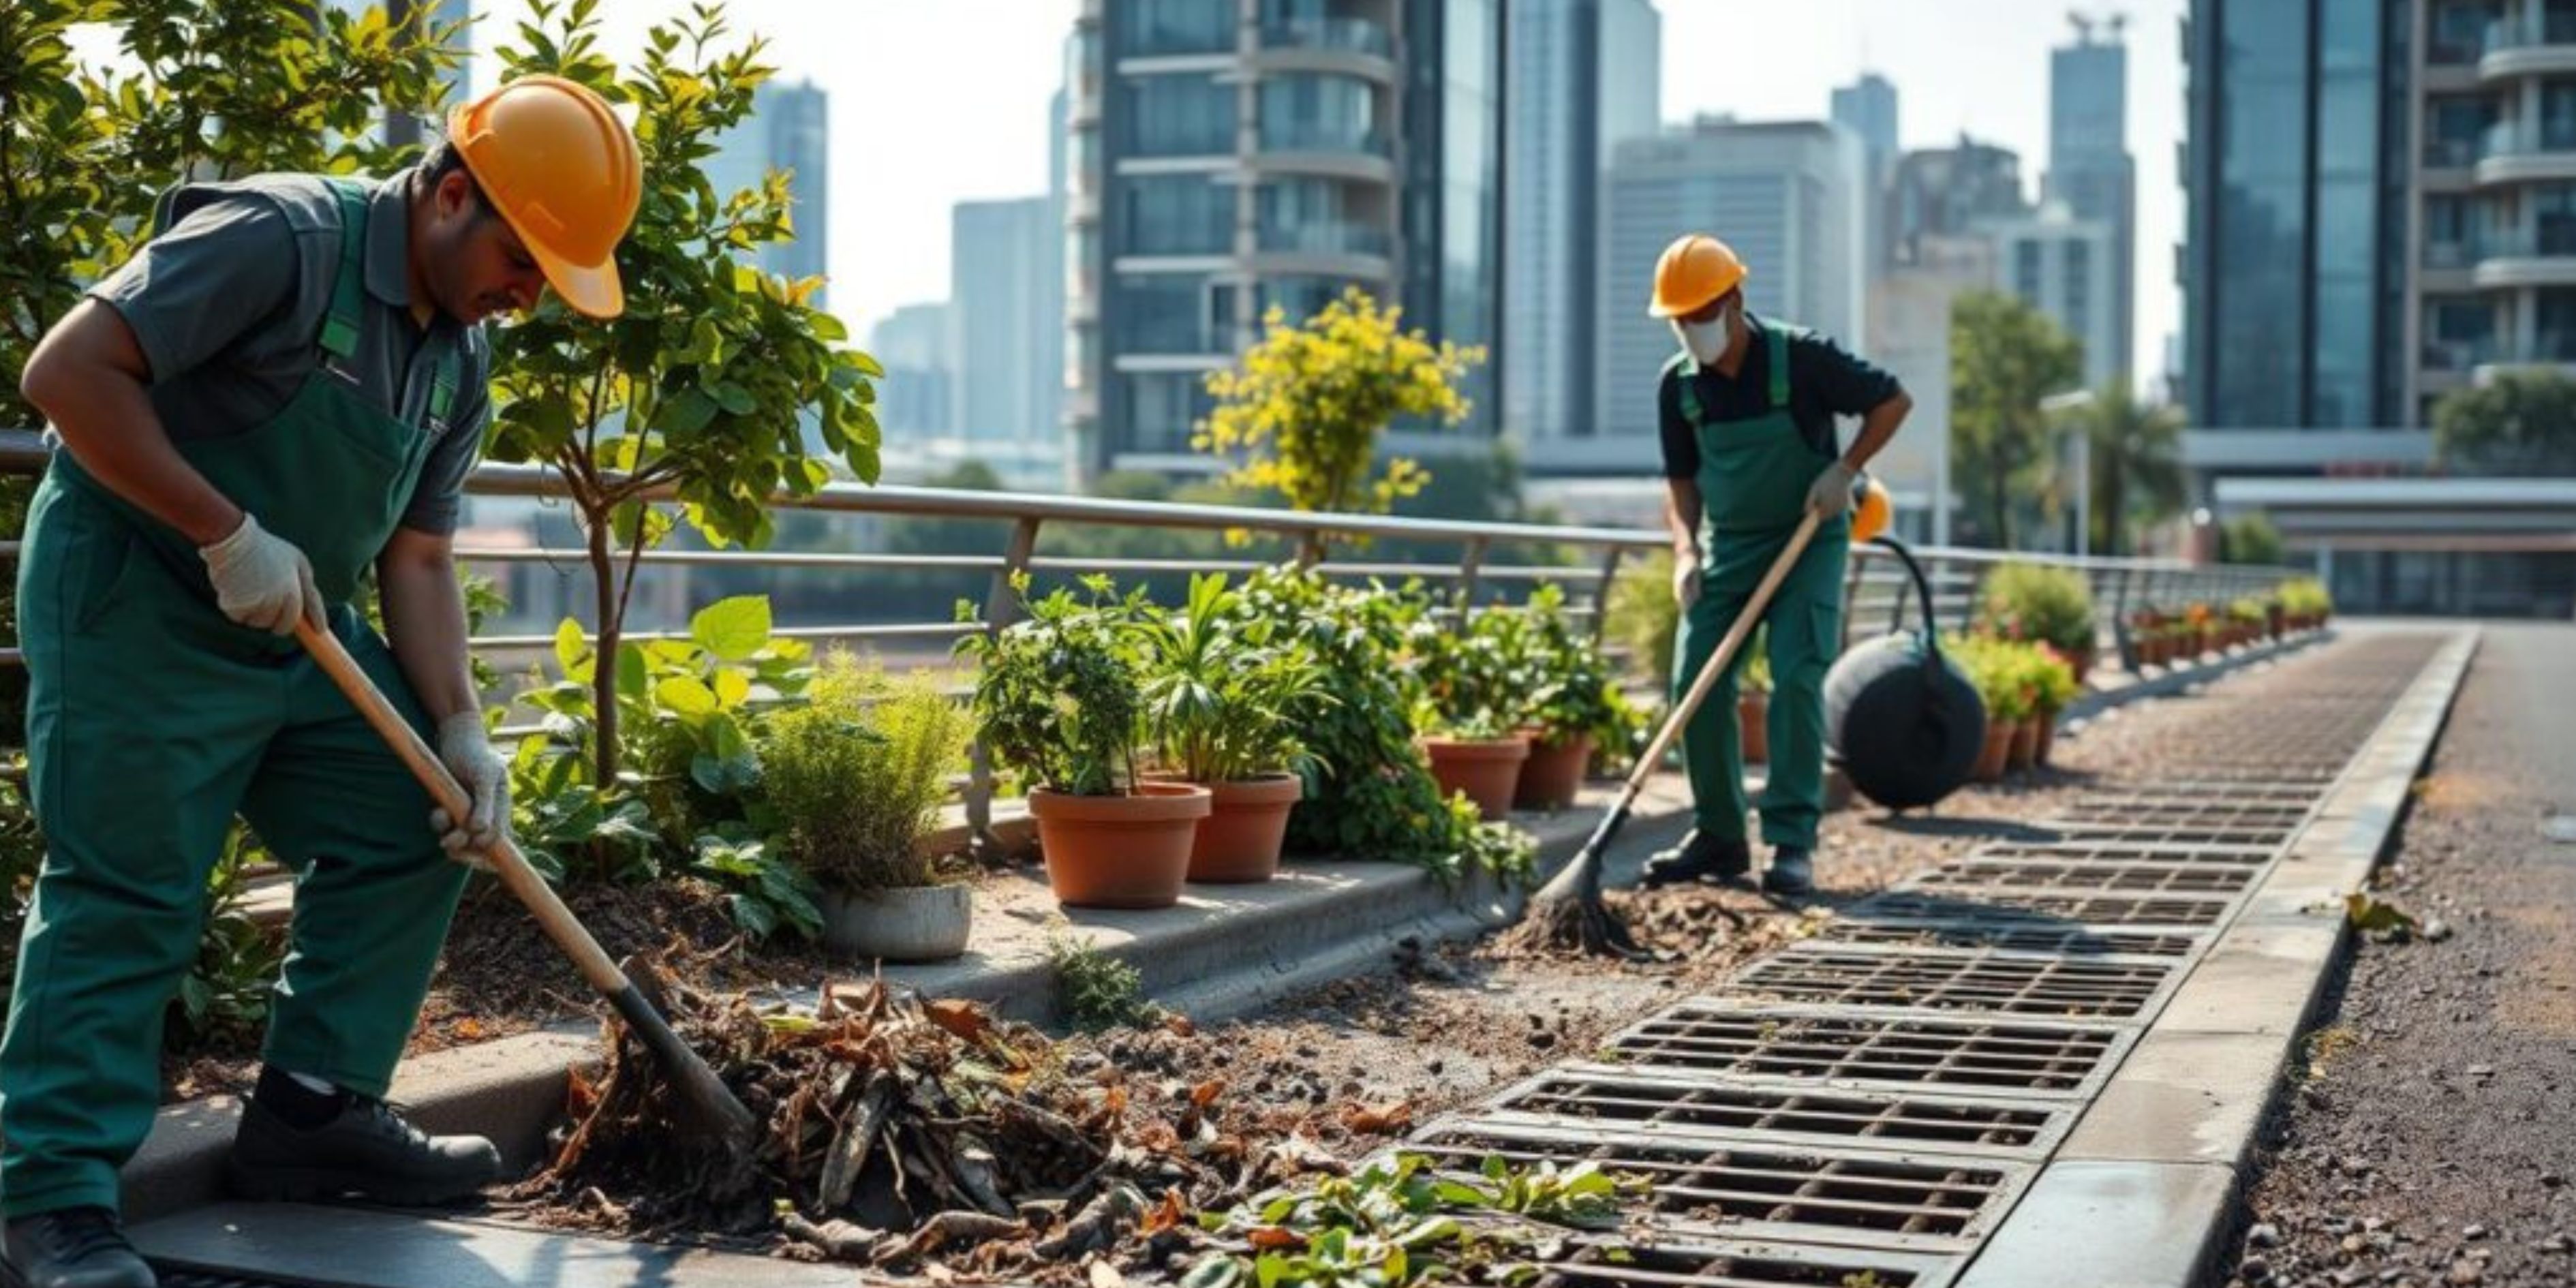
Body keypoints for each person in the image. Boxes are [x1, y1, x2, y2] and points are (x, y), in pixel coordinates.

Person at [2, 75, 641, 1288]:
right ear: (454, 194)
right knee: (130, 889)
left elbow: (423, 555)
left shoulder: (458, 364)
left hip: (292, 627)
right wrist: (222, 530)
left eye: (548, 285)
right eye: (522, 261)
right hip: (137, 599)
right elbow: (67, 375)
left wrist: (459, 727)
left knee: (419, 820)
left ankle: (311, 1113)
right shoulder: (283, 239)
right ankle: (53, 1200)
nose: (524, 297)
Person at [1635, 234, 1911, 900]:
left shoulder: (1802, 358)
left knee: (1795, 676)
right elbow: (1681, 485)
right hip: (1727, 547)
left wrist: (1846, 470)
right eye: (1679, 318)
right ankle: (1721, 836)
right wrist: (1684, 551)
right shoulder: (1679, 389)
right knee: (1693, 682)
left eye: (1699, 313)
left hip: (1808, 539)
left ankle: (1791, 842)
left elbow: (1892, 401)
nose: (1689, 329)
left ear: (1734, 300)